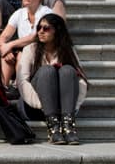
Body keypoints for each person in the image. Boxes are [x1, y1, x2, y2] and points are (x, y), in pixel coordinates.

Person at [16, 12, 87, 145]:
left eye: (46, 28)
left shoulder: (67, 50)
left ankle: (68, 126)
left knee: (68, 70)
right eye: (39, 28)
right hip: (34, 106)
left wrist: (73, 107)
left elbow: (82, 81)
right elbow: (22, 82)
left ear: (57, 31)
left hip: (62, 109)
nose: (41, 31)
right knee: (47, 71)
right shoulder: (30, 49)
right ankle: (53, 129)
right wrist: (45, 103)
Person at [0, 0, 54, 87]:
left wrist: (10, 45)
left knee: (22, 55)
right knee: (6, 57)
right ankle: (4, 90)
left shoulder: (46, 13)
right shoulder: (19, 13)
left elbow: (36, 36)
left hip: (42, 52)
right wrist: (5, 49)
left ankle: (19, 86)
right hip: (23, 50)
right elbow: (3, 37)